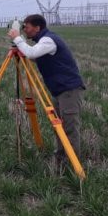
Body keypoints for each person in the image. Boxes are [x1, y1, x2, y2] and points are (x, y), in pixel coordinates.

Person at [7, 14, 85, 169]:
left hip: (69, 90)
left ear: (37, 28)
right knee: (59, 126)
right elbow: (35, 55)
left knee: (69, 127)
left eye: (27, 27)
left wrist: (17, 38)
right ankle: (61, 157)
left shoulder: (48, 40)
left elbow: (32, 53)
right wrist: (21, 46)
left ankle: (73, 164)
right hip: (59, 90)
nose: (25, 30)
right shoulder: (43, 41)